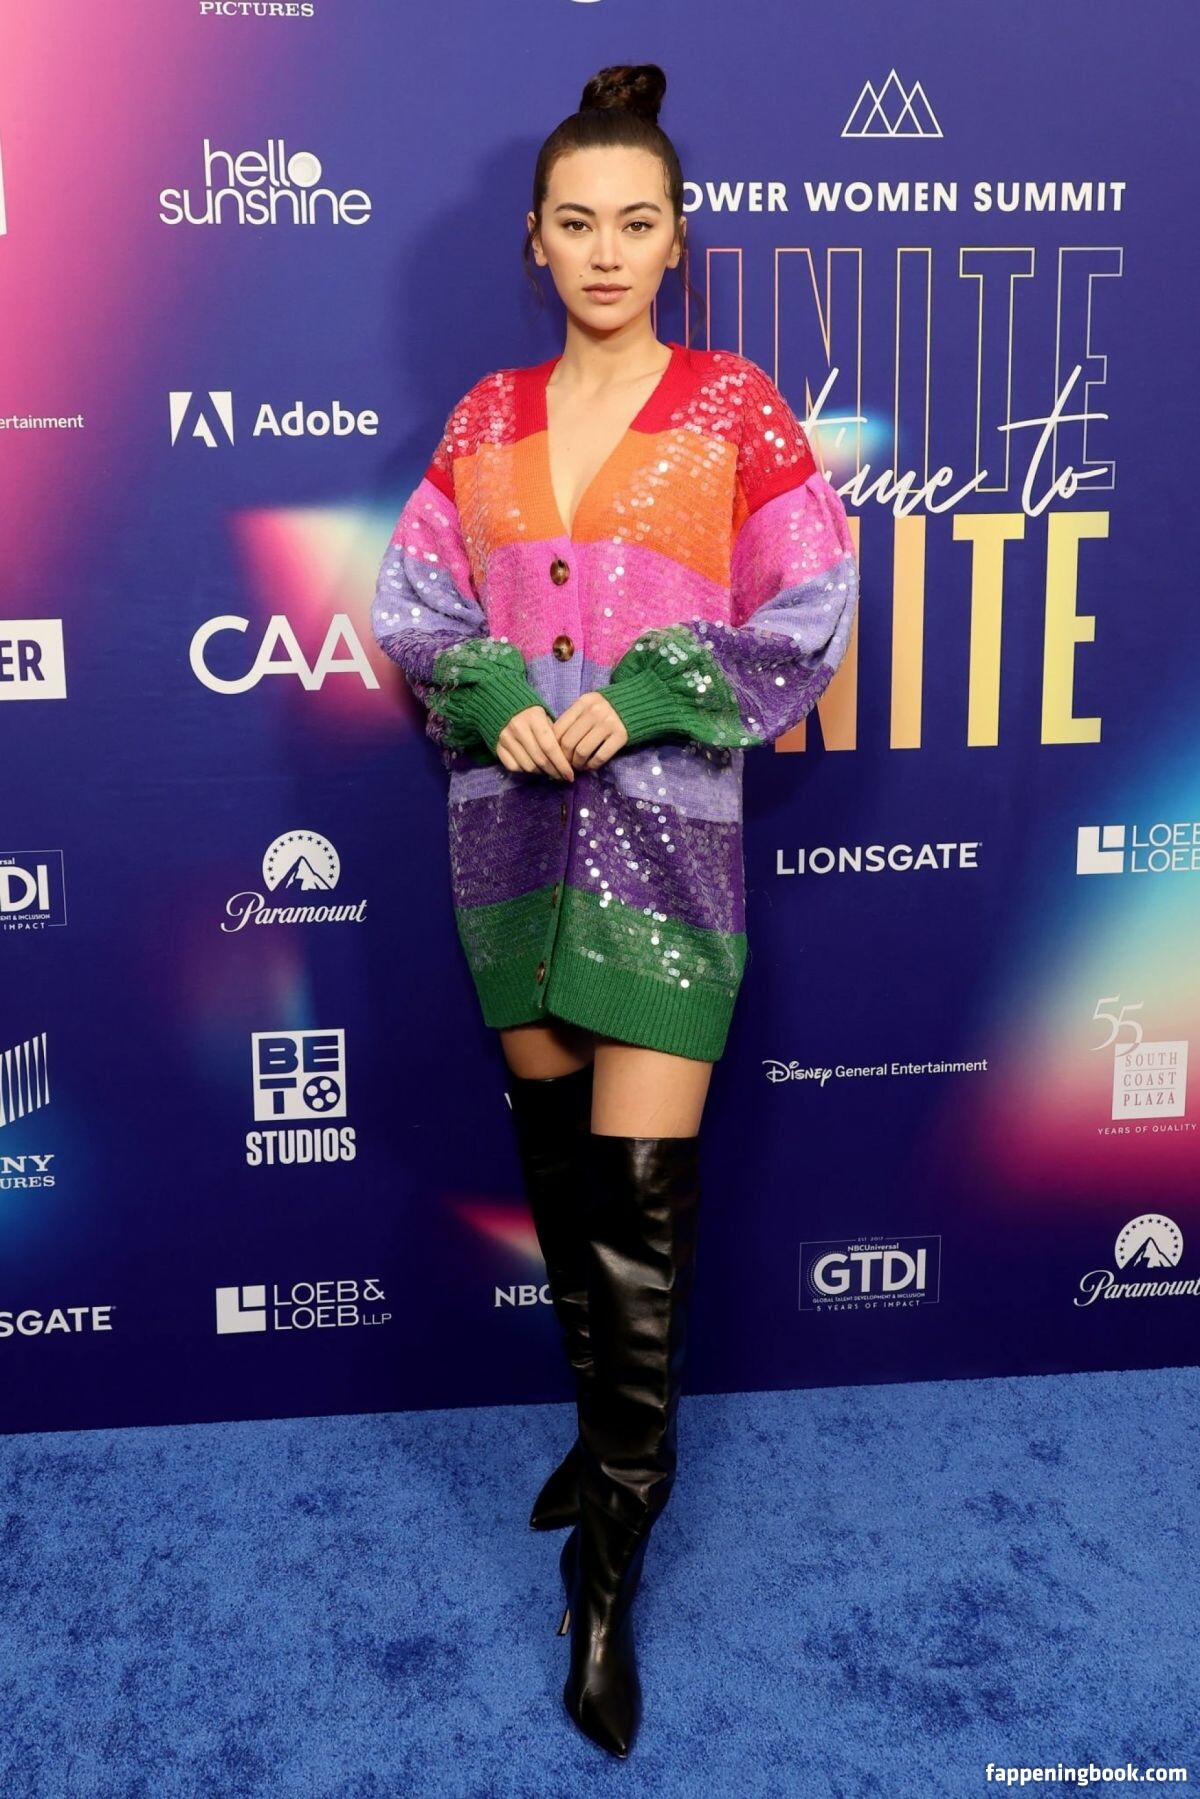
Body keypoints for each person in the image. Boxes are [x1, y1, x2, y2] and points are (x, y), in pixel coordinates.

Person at [371, 60, 859, 1759]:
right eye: (575, 223)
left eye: (634, 223)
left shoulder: (736, 411)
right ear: (535, 239)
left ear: (675, 239)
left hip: (668, 860)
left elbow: (812, 607)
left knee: (642, 1228)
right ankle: (593, 1444)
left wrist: (646, 692)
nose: (604, 251)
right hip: (508, 849)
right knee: (570, 1204)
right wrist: (490, 689)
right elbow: (415, 604)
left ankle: (607, 1573)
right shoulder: (483, 422)